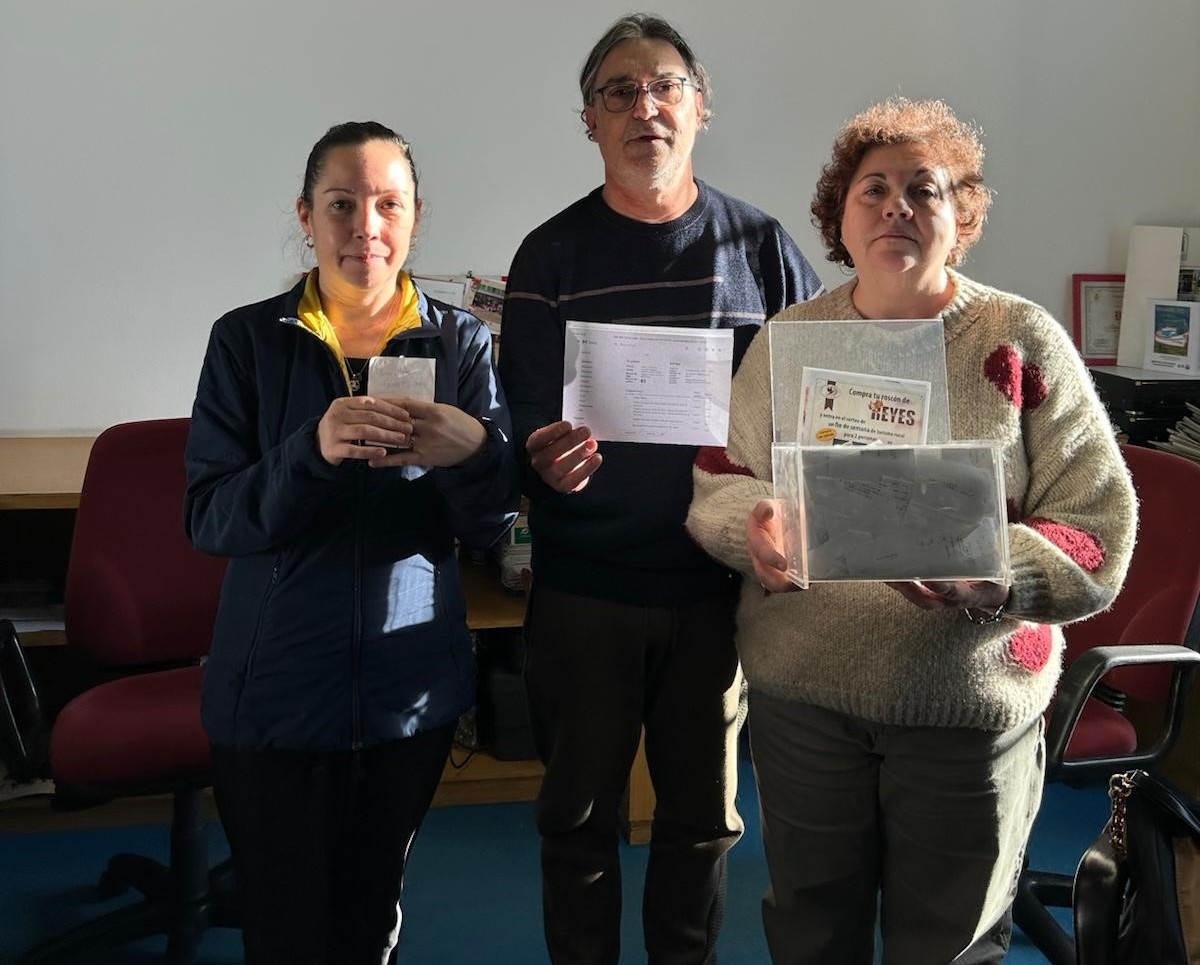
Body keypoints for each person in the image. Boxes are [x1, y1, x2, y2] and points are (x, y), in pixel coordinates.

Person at [686, 97, 1138, 965]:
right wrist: (758, 528)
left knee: (951, 940)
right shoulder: (788, 340)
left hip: (966, 701)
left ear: (959, 218)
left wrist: (996, 572)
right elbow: (721, 484)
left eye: (922, 190)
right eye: (874, 190)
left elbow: (1096, 529)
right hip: (806, 697)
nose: (896, 206)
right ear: (839, 220)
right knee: (812, 927)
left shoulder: (1020, 340)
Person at [498, 14, 822, 965]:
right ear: (589, 122)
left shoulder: (761, 247)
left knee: (702, 823)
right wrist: (540, 453)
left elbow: (804, 407)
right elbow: (518, 411)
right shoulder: (549, 254)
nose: (645, 106)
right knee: (578, 820)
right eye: (618, 92)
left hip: (716, 592)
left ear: (700, 106)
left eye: (665, 86)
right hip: (584, 587)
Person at [185, 121, 518, 965]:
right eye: (341, 204)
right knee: (287, 928)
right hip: (273, 696)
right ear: (306, 215)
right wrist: (310, 452)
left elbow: (491, 529)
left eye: (387, 204)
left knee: (372, 917)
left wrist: (474, 453)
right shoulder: (247, 341)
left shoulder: (461, 342)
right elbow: (212, 518)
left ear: (412, 218)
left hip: (409, 695)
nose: (364, 225)